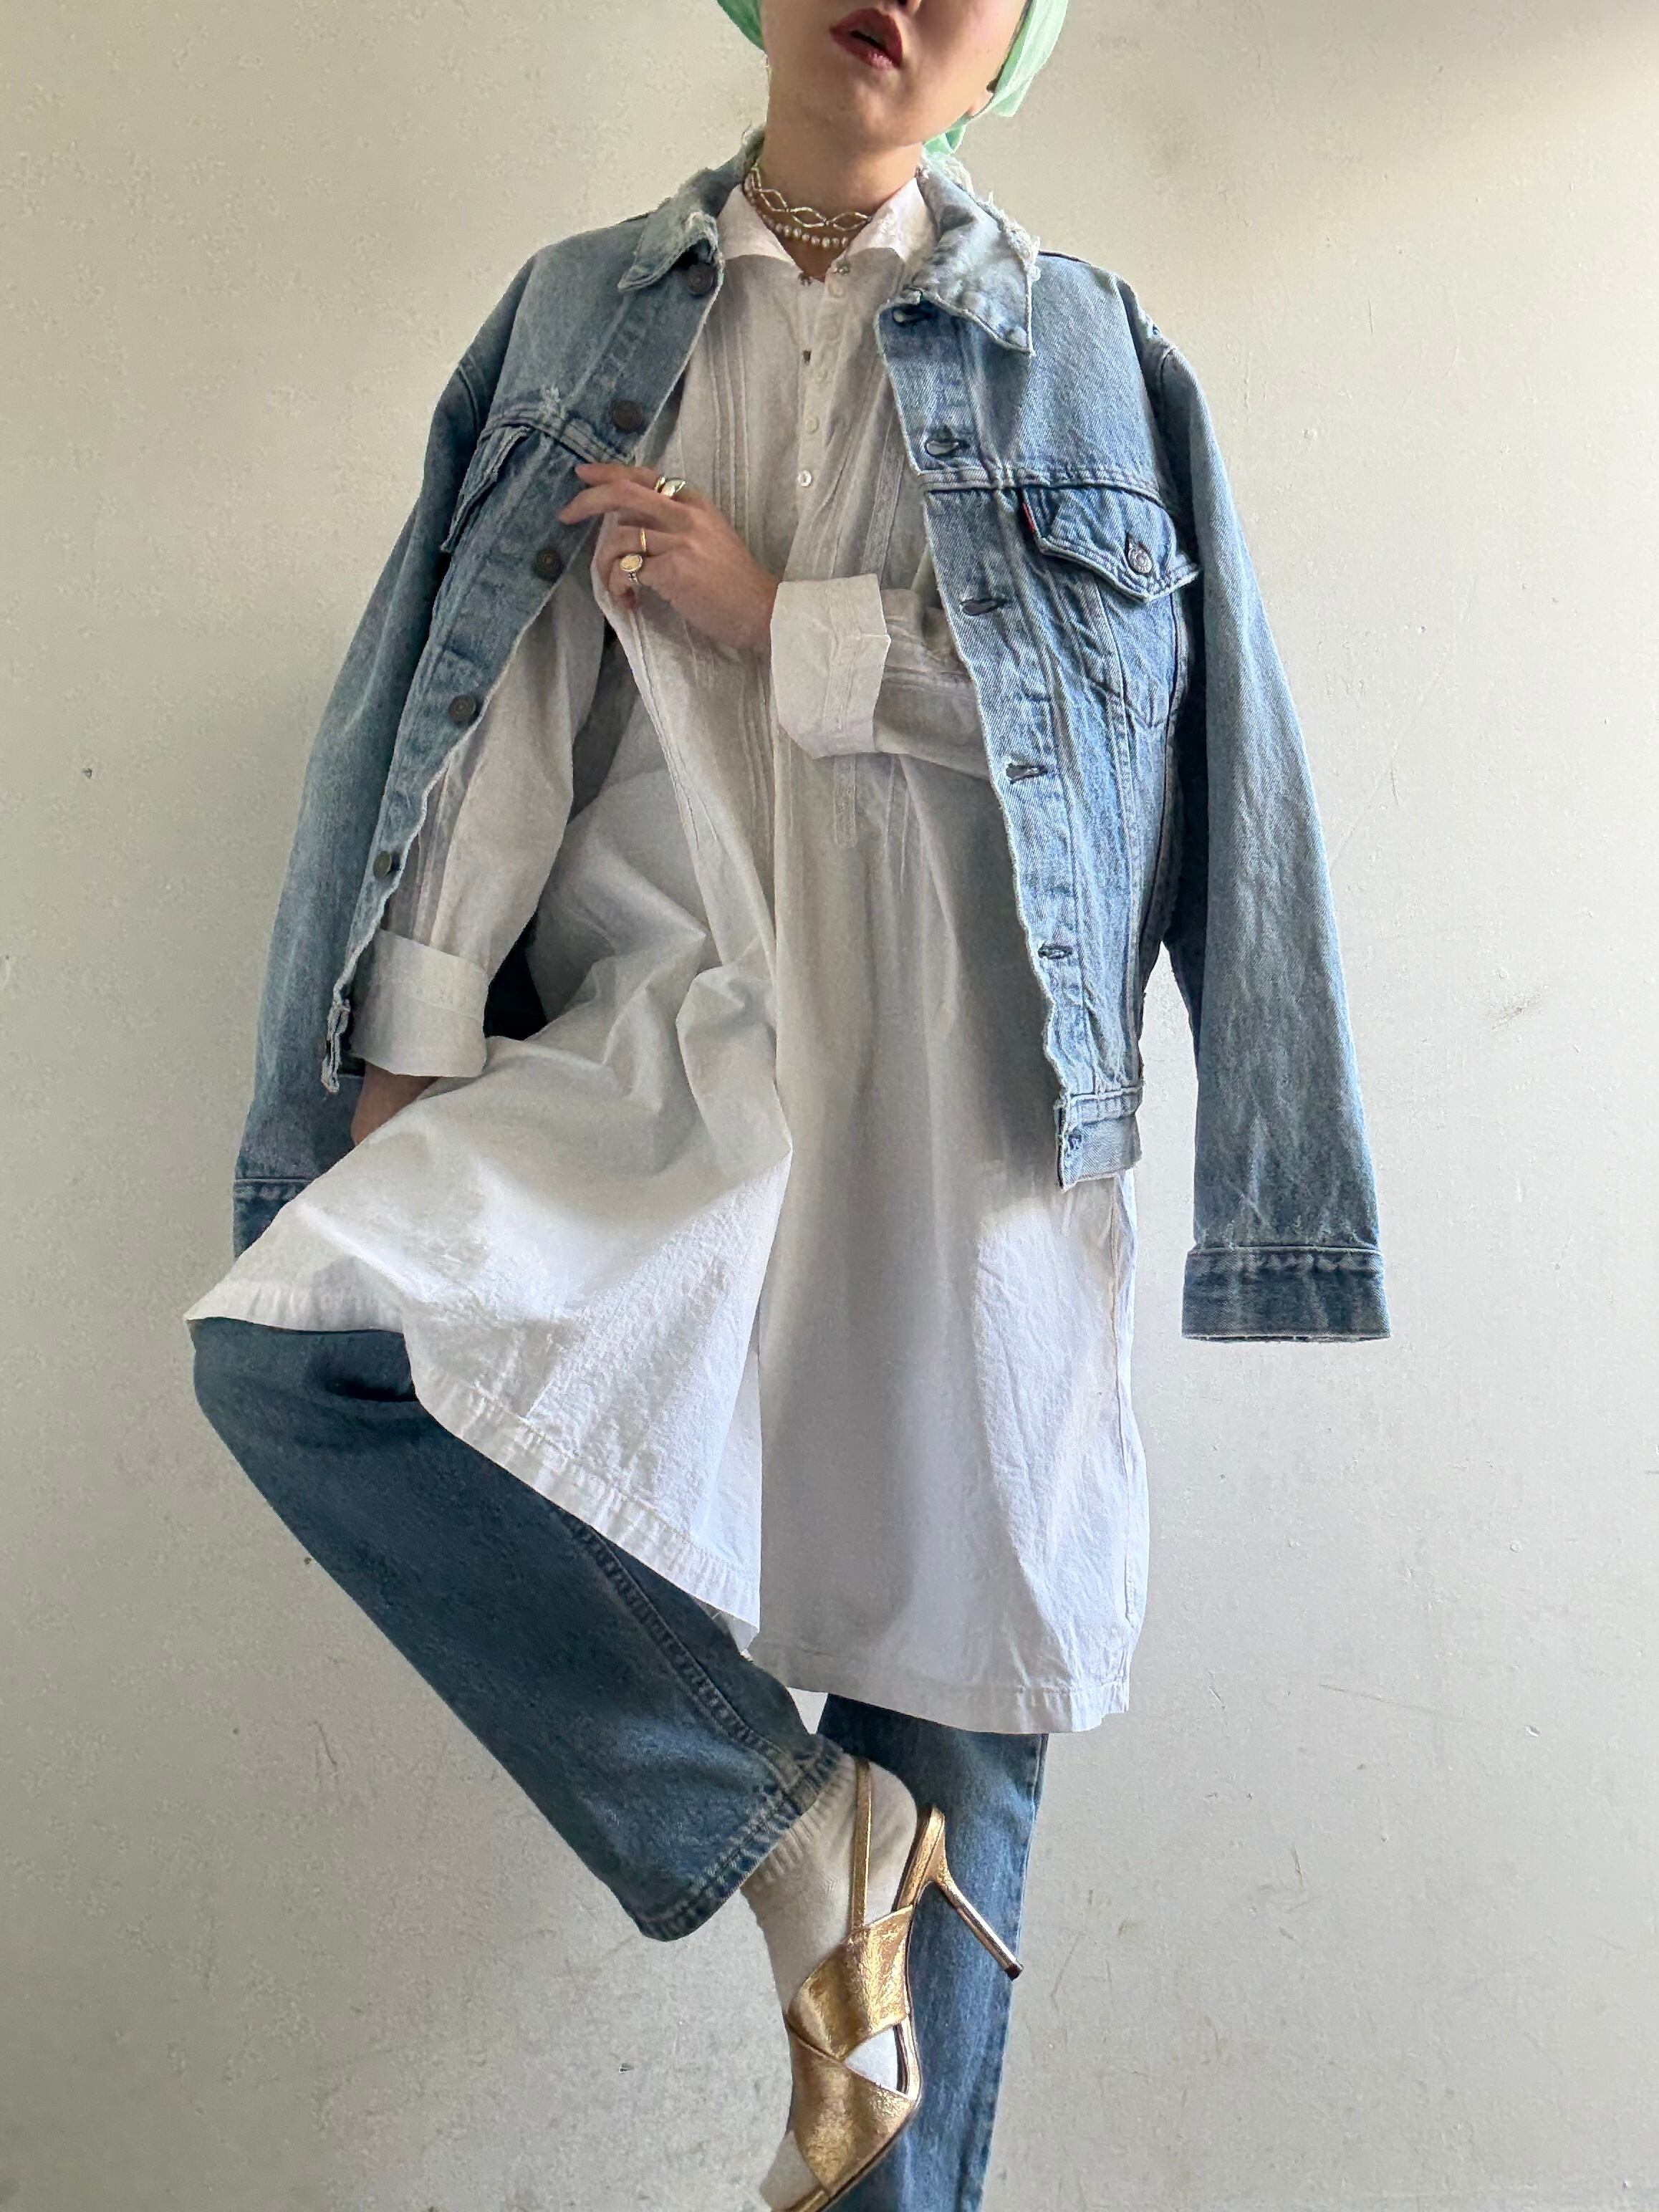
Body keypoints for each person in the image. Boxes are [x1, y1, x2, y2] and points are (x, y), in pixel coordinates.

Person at [186, 1, 1389, 2205]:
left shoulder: (1088, 349)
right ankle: (798, 1832)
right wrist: (402, 1068)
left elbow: (1144, 753)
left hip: (971, 1119)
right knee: (302, 1363)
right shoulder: (581, 312)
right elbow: (488, 699)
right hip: (683, 1052)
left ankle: (870, 1921)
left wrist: (786, 623)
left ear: (1007, 53)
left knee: (958, 1696)